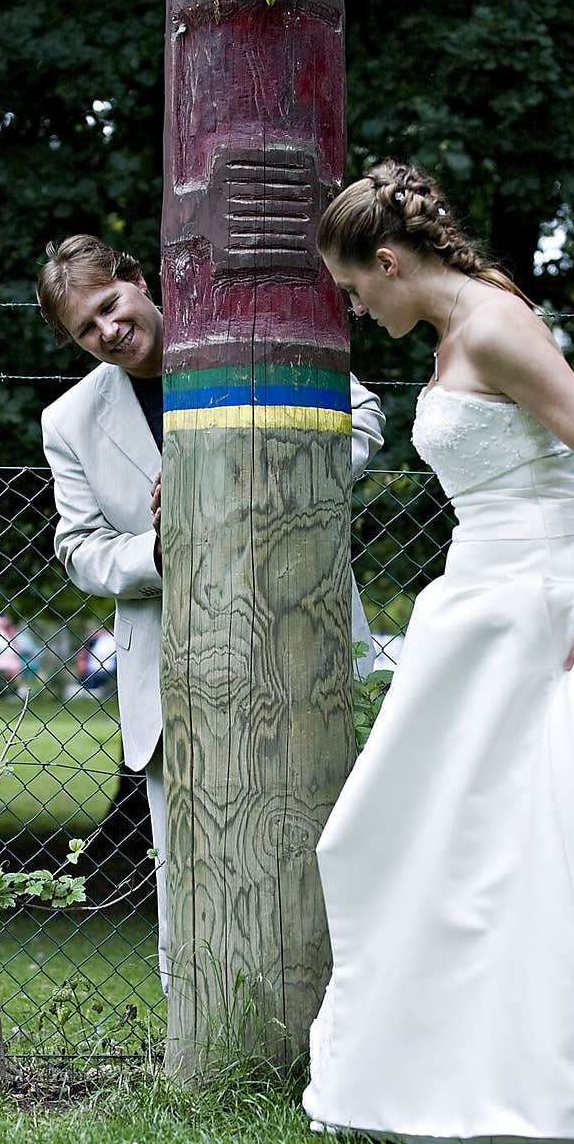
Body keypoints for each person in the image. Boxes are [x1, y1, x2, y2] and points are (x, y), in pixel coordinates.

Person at [302, 158, 574, 1144]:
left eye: (357, 290)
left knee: (551, 849)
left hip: (540, 609)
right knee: (439, 845)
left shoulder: (495, 326)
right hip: (476, 606)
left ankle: (561, 1082)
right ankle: (442, 1066)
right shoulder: (464, 324)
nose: (359, 311)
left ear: (388, 259)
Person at [37, 234, 386, 997]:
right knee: (185, 863)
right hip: (172, 664)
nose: (108, 333)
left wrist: (272, 482)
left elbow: (361, 416)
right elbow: (79, 551)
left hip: (301, 630)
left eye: (110, 306)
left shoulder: (241, 330)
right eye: (86, 331)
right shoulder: (67, 421)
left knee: (339, 838)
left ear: (136, 279)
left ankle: (357, 1020)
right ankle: (200, 1035)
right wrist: (158, 551)